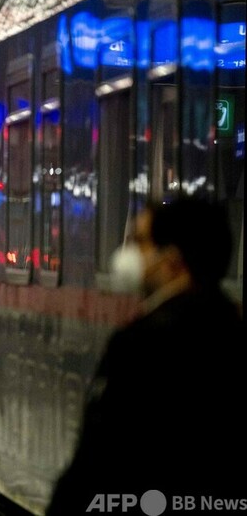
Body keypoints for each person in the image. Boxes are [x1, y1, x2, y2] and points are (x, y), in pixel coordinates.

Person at [46, 196, 246, 515]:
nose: (129, 254)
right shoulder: (234, 333)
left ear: (173, 260)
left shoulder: (141, 343)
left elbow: (100, 455)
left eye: (140, 242)